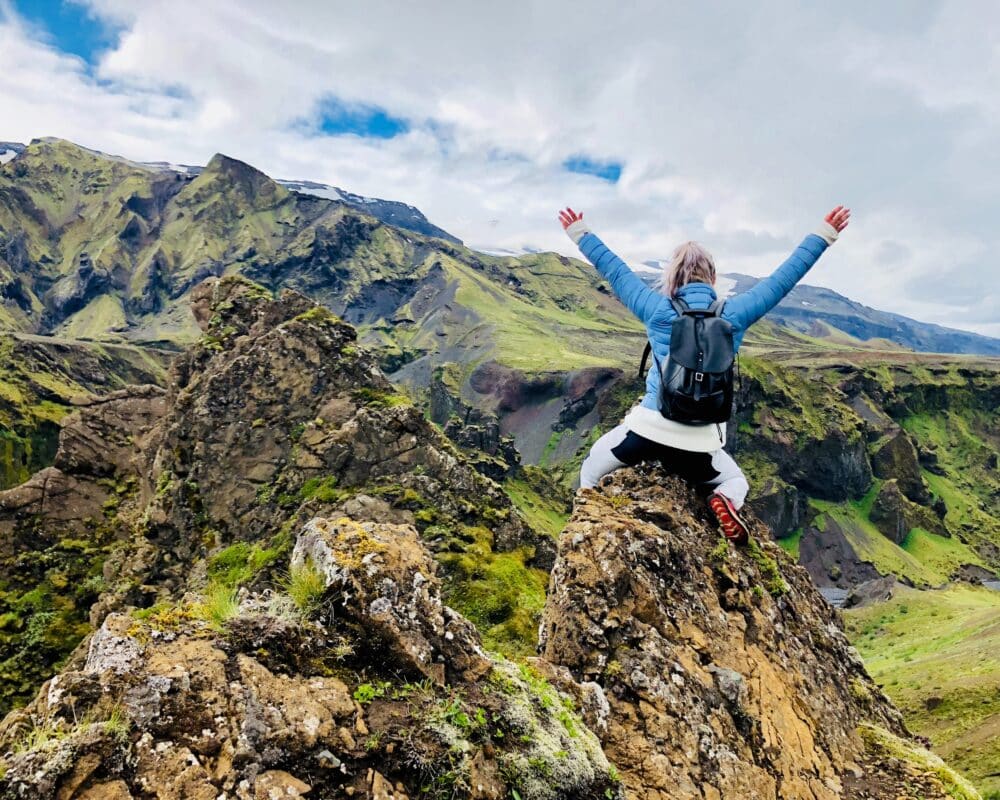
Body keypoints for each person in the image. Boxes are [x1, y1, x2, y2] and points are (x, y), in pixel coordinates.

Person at [558, 204, 851, 543]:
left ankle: (587, 532)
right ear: (712, 278)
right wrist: (824, 234)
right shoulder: (734, 314)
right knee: (735, 481)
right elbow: (783, 280)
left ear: (672, 278)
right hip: (699, 445)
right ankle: (723, 500)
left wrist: (579, 232)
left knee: (591, 470)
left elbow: (616, 271)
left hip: (646, 432)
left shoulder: (656, 309)